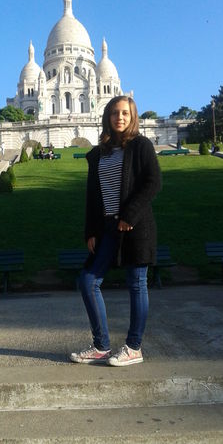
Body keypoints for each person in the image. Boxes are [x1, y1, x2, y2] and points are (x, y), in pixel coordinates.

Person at [70, 96, 161, 367]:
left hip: (135, 225)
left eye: (125, 113)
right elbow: (93, 196)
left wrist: (129, 216)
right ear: (107, 116)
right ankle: (101, 346)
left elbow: (153, 183)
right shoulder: (99, 153)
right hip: (107, 226)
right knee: (87, 281)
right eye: (114, 113)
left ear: (132, 117)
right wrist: (91, 232)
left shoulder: (141, 145)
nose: (119, 117)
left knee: (136, 284)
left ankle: (134, 347)